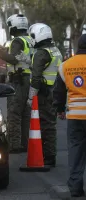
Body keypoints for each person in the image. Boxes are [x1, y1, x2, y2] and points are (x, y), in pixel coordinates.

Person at [0, 14, 34, 153]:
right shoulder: (29, 39)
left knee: (14, 114)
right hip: (28, 79)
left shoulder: (17, 41)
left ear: (14, 26)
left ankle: (15, 145)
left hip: (18, 80)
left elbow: (14, 59)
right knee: (25, 113)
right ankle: (25, 143)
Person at [53, 34, 86, 198]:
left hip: (75, 116)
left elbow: (58, 91)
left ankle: (75, 187)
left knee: (75, 151)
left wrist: (59, 109)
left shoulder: (65, 65)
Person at [27, 23, 63, 167]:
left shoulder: (41, 53)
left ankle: (47, 157)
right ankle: (49, 155)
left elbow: (35, 78)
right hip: (54, 92)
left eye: (33, 36)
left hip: (43, 94)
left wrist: (31, 97)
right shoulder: (55, 50)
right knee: (51, 125)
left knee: (45, 125)